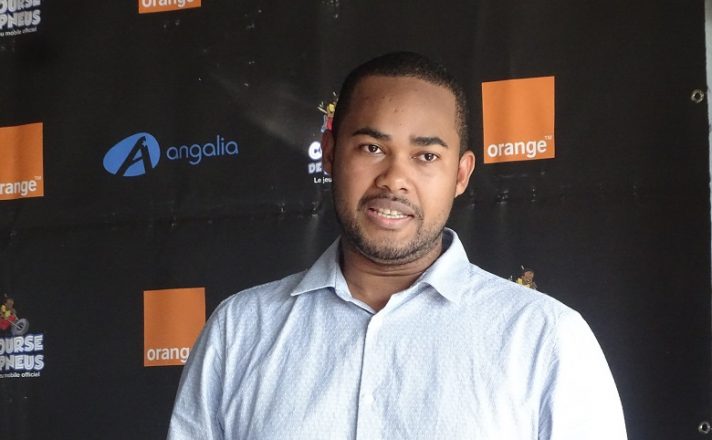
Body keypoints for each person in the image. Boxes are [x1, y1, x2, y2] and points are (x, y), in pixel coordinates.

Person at [168, 52, 627, 439]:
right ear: (330, 153)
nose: (394, 179)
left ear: (461, 174)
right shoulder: (238, 330)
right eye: (372, 148)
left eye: (426, 156)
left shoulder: (546, 338)